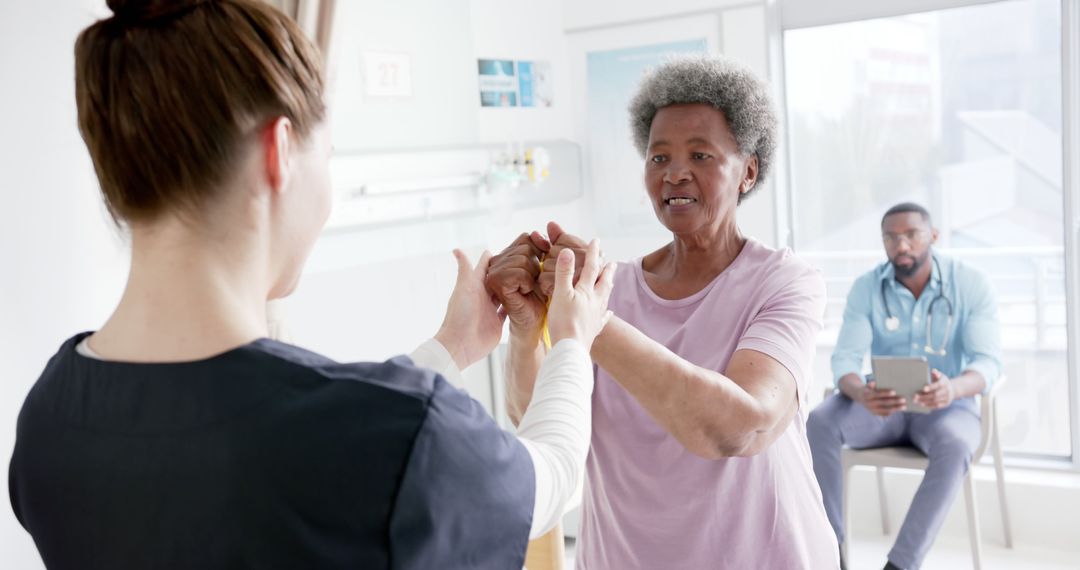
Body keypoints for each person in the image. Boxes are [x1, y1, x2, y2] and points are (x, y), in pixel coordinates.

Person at [7, 1, 616, 568]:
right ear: (280, 151)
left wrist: (453, 346)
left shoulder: (48, 418)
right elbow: (550, 476)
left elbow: (325, 434)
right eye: (329, 154)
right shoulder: (395, 434)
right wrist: (571, 339)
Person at [486, 54, 838, 569]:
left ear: (748, 171)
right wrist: (523, 327)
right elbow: (536, 419)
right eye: (659, 158)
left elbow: (740, 426)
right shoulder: (615, 285)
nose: (675, 173)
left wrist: (593, 319)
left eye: (701, 156)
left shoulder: (784, 282)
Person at [807, 202, 1002, 570]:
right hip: (883, 404)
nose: (901, 246)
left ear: (932, 236)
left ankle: (901, 564)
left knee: (957, 444)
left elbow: (988, 363)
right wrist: (861, 392)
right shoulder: (867, 288)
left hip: (947, 406)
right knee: (820, 421)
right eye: (891, 238)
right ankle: (830, 553)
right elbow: (844, 360)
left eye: (911, 235)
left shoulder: (970, 283)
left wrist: (954, 389)